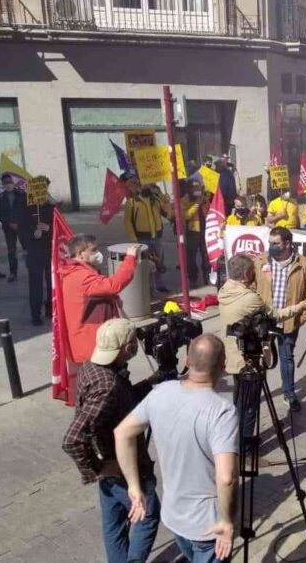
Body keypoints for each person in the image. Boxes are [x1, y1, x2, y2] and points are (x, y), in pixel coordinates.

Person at [114, 334, 240, 563]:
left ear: (186, 360)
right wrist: (227, 522)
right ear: (223, 366)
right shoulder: (222, 411)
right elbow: (227, 477)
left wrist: (134, 486)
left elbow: (122, 433)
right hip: (208, 526)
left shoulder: (161, 392)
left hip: (174, 518)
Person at [62, 319, 162, 563]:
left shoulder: (92, 367)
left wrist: (152, 381)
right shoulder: (108, 384)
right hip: (122, 466)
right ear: (126, 348)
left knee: (114, 524)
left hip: (108, 467)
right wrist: (96, 470)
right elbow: (72, 439)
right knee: (147, 514)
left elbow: (122, 401)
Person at [218, 253, 306, 427]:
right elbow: (275, 315)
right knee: (250, 406)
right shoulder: (249, 298)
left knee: (239, 399)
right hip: (248, 360)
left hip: (232, 356)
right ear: (247, 274)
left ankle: (239, 435)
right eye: (253, 271)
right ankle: (245, 443)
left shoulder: (225, 290)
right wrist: (301, 306)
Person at [252, 228, 306, 412]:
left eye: (276, 243)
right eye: (270, 242)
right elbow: (252, 286)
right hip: (265, 320)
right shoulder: (260, 260)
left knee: (287, 358)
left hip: (289, 321)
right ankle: (256, 394)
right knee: (260, 358)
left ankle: (289, 394)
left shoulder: (302, 263)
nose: (271, 246)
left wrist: (302, 316)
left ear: (288, 243)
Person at [59, 235, 141, 362]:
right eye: (93, 250)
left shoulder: (79, 272)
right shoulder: (81, 276)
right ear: (81, 254)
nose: (98, 253)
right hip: (92, 345)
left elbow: (100, 293)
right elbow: (113, 286)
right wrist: (129, 258)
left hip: (93, 341)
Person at [123, 176, 172, 292]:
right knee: (145, 263)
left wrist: (166, 202)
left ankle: (159, 285)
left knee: (159, 262)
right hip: (141, 238)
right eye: (145, 185)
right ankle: (147, 288)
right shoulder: (132, 202)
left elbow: (168, 215)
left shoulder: (156, 200)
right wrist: (133, 238)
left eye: (150, 185)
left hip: (157, 237)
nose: (147, 187)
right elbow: (127, 222)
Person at [20, 194, 56, 325]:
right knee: (36, 286)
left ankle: (51, 309)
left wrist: (49, 228)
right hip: (34, 253)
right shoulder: (27, 209)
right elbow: (22, 230)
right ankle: (35, 314)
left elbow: (60, 227)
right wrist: (33, 235)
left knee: (51, 283)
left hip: (50, 251)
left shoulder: (51, 208)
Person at [0, 173, 27, 282]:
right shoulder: (0, 197)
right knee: (11, 250)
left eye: (10, 182)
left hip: (23, 226)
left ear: (13, 182)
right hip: (8, 228)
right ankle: (13, 272)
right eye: (5, 183)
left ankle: (31, 268)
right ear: (3, 184)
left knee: (27, 248)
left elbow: (26, 211)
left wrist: (19, 222)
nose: (8, 184)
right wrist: (9, 223)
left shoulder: (23, 195)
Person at [181, 180, 211, 287]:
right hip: (192, 232)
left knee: (206, 256)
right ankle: (193, 278)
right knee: (191, 258)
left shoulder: (204, 199)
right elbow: (186, 215)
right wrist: (196, 204)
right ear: (189, 189)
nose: (196, 190)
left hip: (205, 230)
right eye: (193, 188)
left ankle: (207, 277)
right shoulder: (185, 200)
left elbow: (209, 211)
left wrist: (205, 201)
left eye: (198, 188)